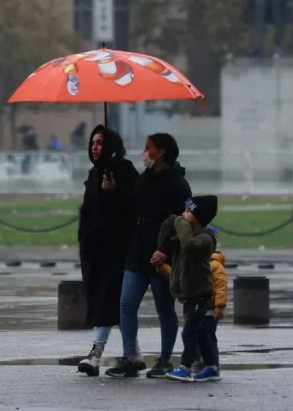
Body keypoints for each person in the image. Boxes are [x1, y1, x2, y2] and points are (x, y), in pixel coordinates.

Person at [106, 132, 192, 379]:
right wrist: (113, 191)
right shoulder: (144, 179)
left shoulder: (178, 183)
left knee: (164, 307)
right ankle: (130, 357)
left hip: (161, 253)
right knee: (126, 304)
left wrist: (166, 250)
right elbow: (130, 207)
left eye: (149, 147)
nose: (145, 152)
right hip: (138, 249)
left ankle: (165, 360)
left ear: (161, 151)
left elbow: (183, 221)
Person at [76, 125, 139, 377]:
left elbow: (132, 207)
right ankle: (133, 353)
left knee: (108, 300)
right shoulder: (95, 174)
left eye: (100, 142)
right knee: (113, 303)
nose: (95, 147)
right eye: (93, 142)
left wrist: (113, 192)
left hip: (118, 249)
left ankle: (96, 353)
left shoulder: (124, 171)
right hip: (96, 249)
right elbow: (89, 211)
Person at [153, 211, 226, 383]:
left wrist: (219, 305)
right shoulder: (191, 254)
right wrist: (161, 266)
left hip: (202, 299)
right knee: (200, 333)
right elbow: (177, 274)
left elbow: (221, 285)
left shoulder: (205, 247)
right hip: (191, 296)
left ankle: (186, 367)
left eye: (188, 211)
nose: (184, 214)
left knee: (190, 333)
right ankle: (211, 367)